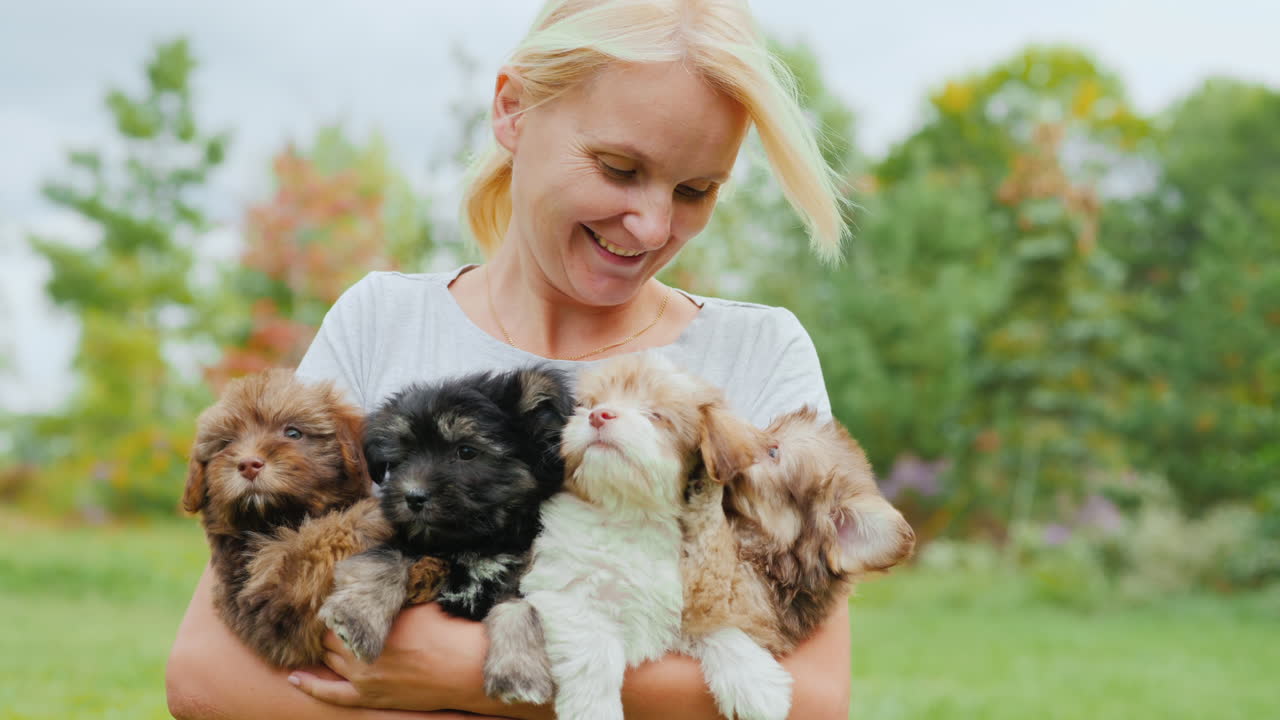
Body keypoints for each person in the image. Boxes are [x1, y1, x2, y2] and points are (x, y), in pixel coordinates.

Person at [166, 0, 853, 718]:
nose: (652, 225)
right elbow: (207, 673)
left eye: (695, 190)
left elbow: (811, 699)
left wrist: (470, 677)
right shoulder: (383, 321)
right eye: (619, 168)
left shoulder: (755, 354)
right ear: (513, 109)